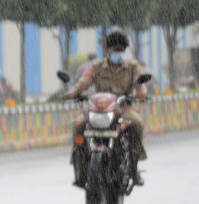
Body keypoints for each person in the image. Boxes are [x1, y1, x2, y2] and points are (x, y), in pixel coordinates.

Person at [63, 30, 148, 187]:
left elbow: (140, 84)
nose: (119, 52)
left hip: (123, 107)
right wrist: (73, 92)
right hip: (99, 108)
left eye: (122, 50)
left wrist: (141, 93)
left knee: (135, 123)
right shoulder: (97, 66)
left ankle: (134, 167)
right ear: (108, 50)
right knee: (78, 125)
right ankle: (81, 169)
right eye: (115, 49)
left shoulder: (132, 66)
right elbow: (84, 81)